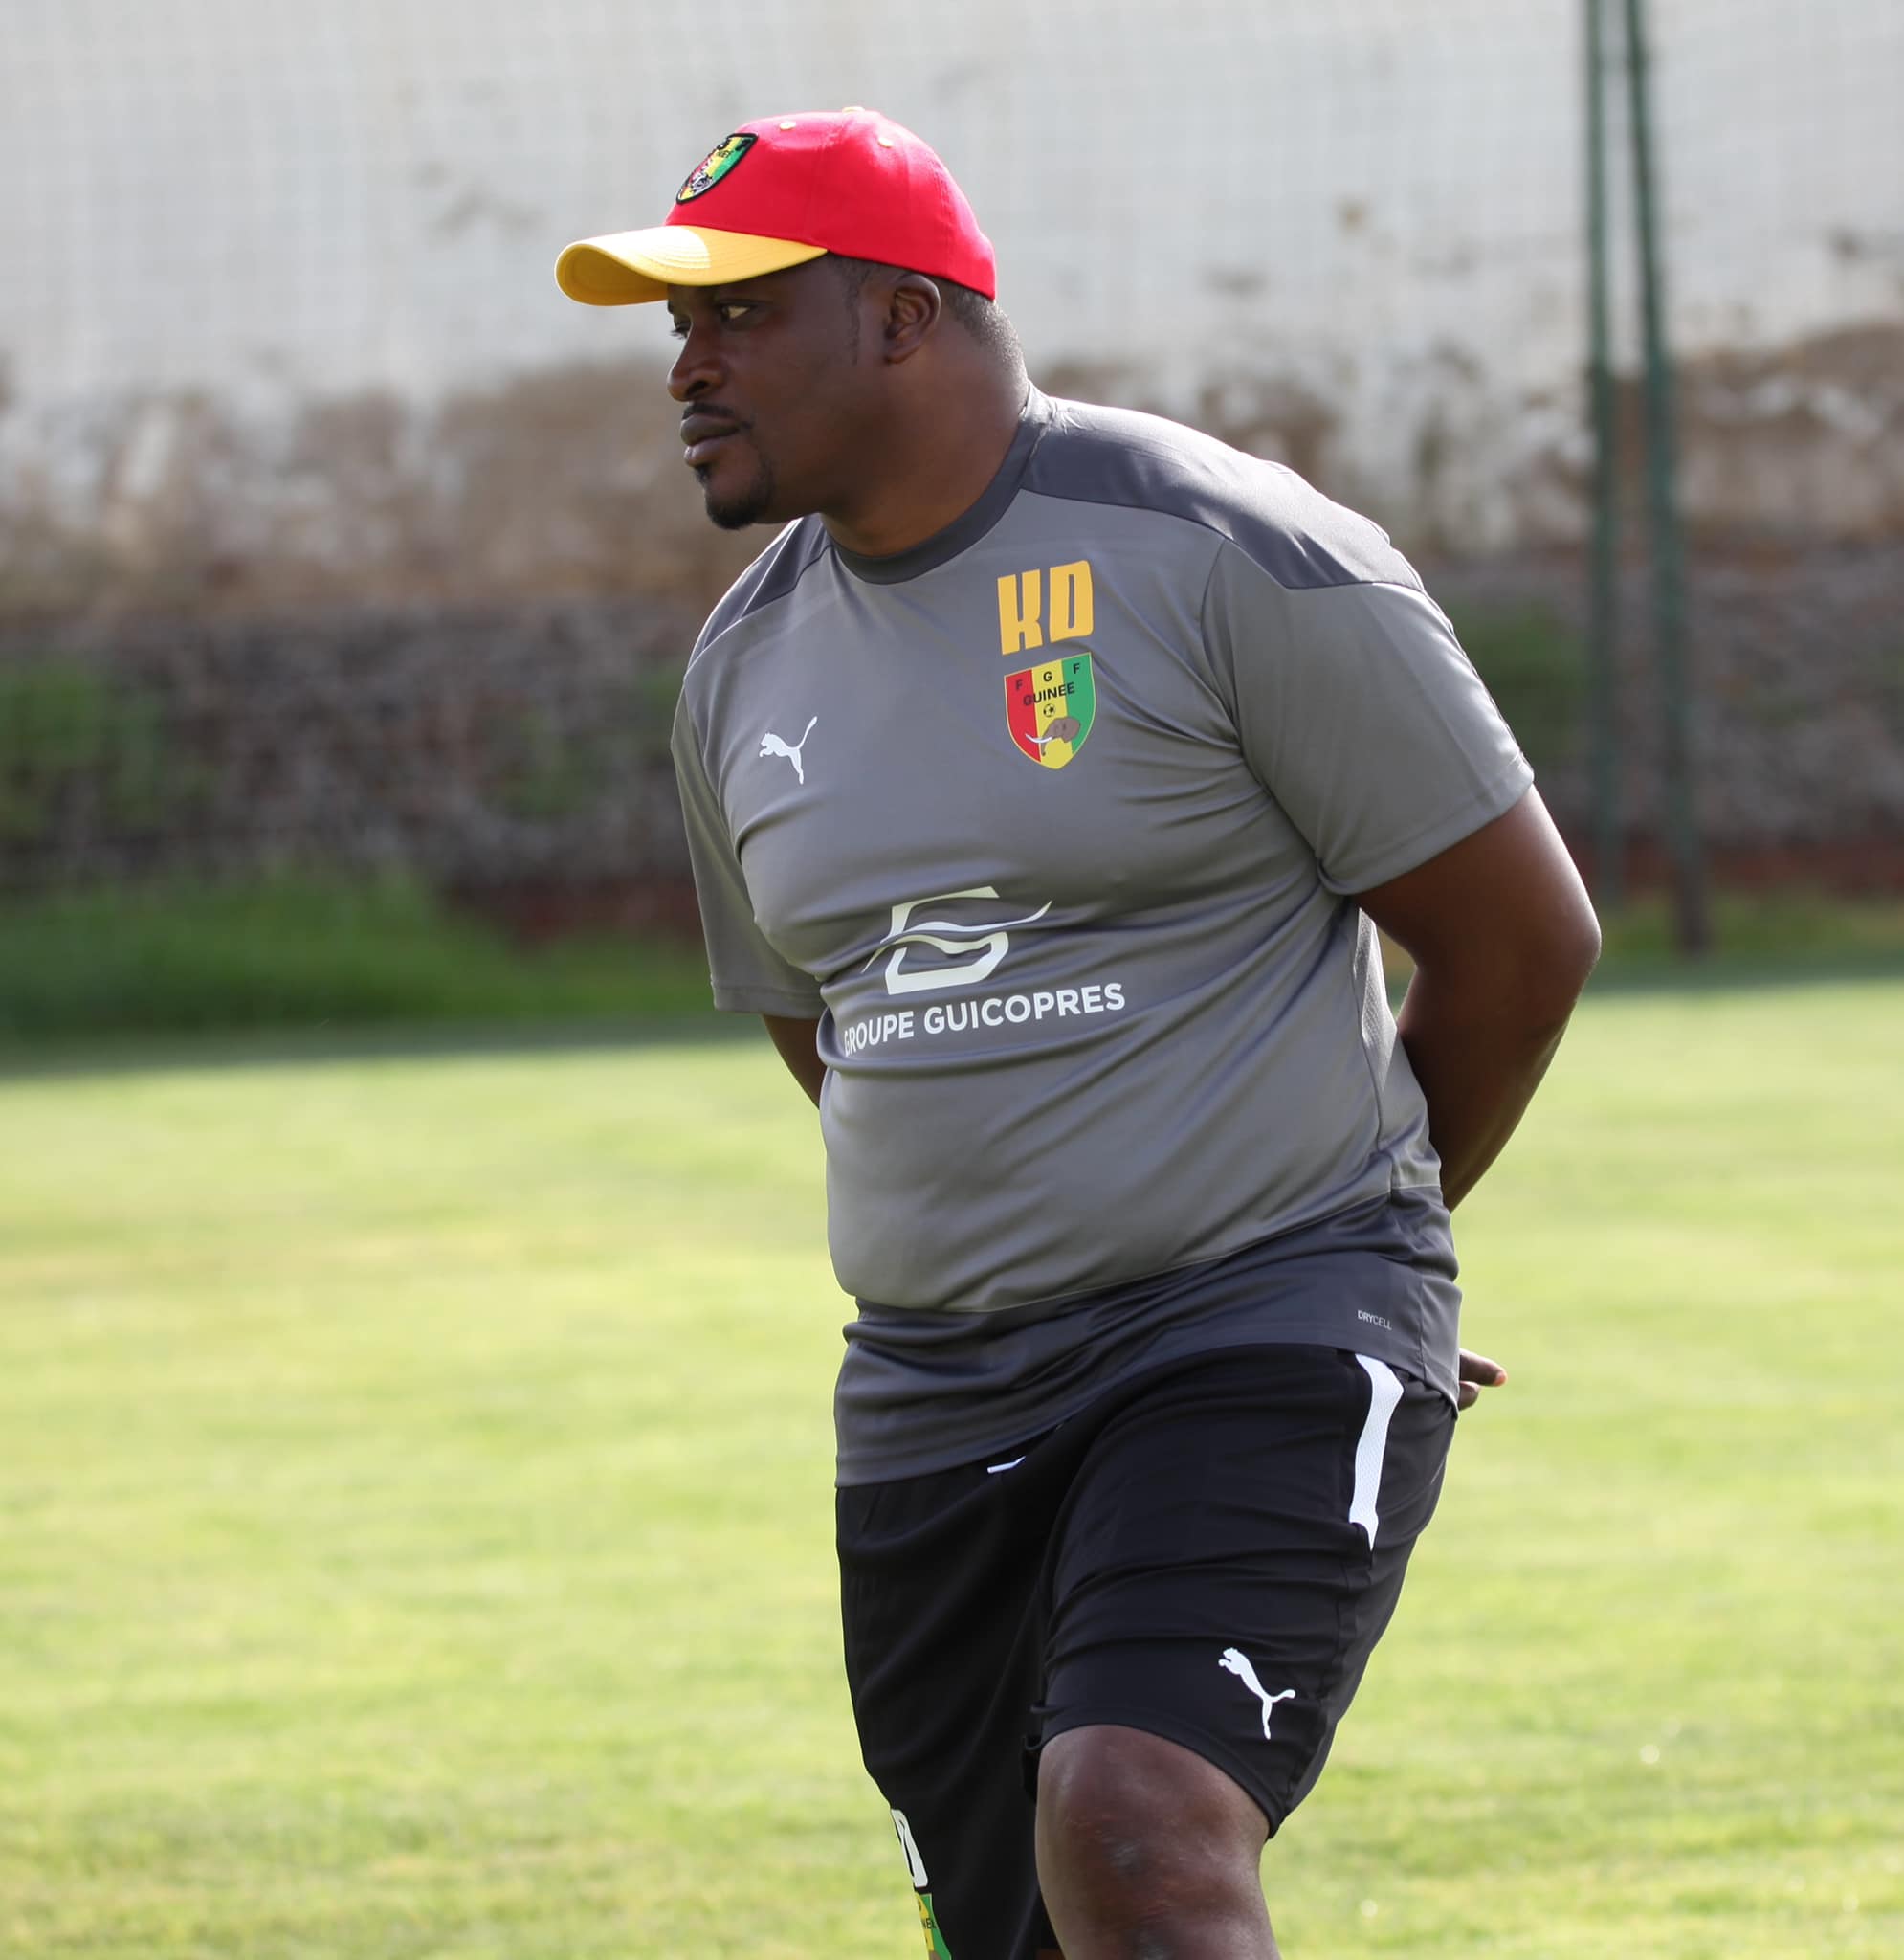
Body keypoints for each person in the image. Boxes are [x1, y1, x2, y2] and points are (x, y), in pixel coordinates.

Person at [557, 109, 1601, 1960]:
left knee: (1133, 1825)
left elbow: (1518, 941)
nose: (686, 370)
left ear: (903, 317)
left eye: (739, 313)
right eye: (676, 325)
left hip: (1250, 1322)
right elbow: (839, 1036)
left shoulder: (1222, 551)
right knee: (1018, 1924)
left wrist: (1358, 1248)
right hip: (930, 1388)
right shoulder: (740, 667)